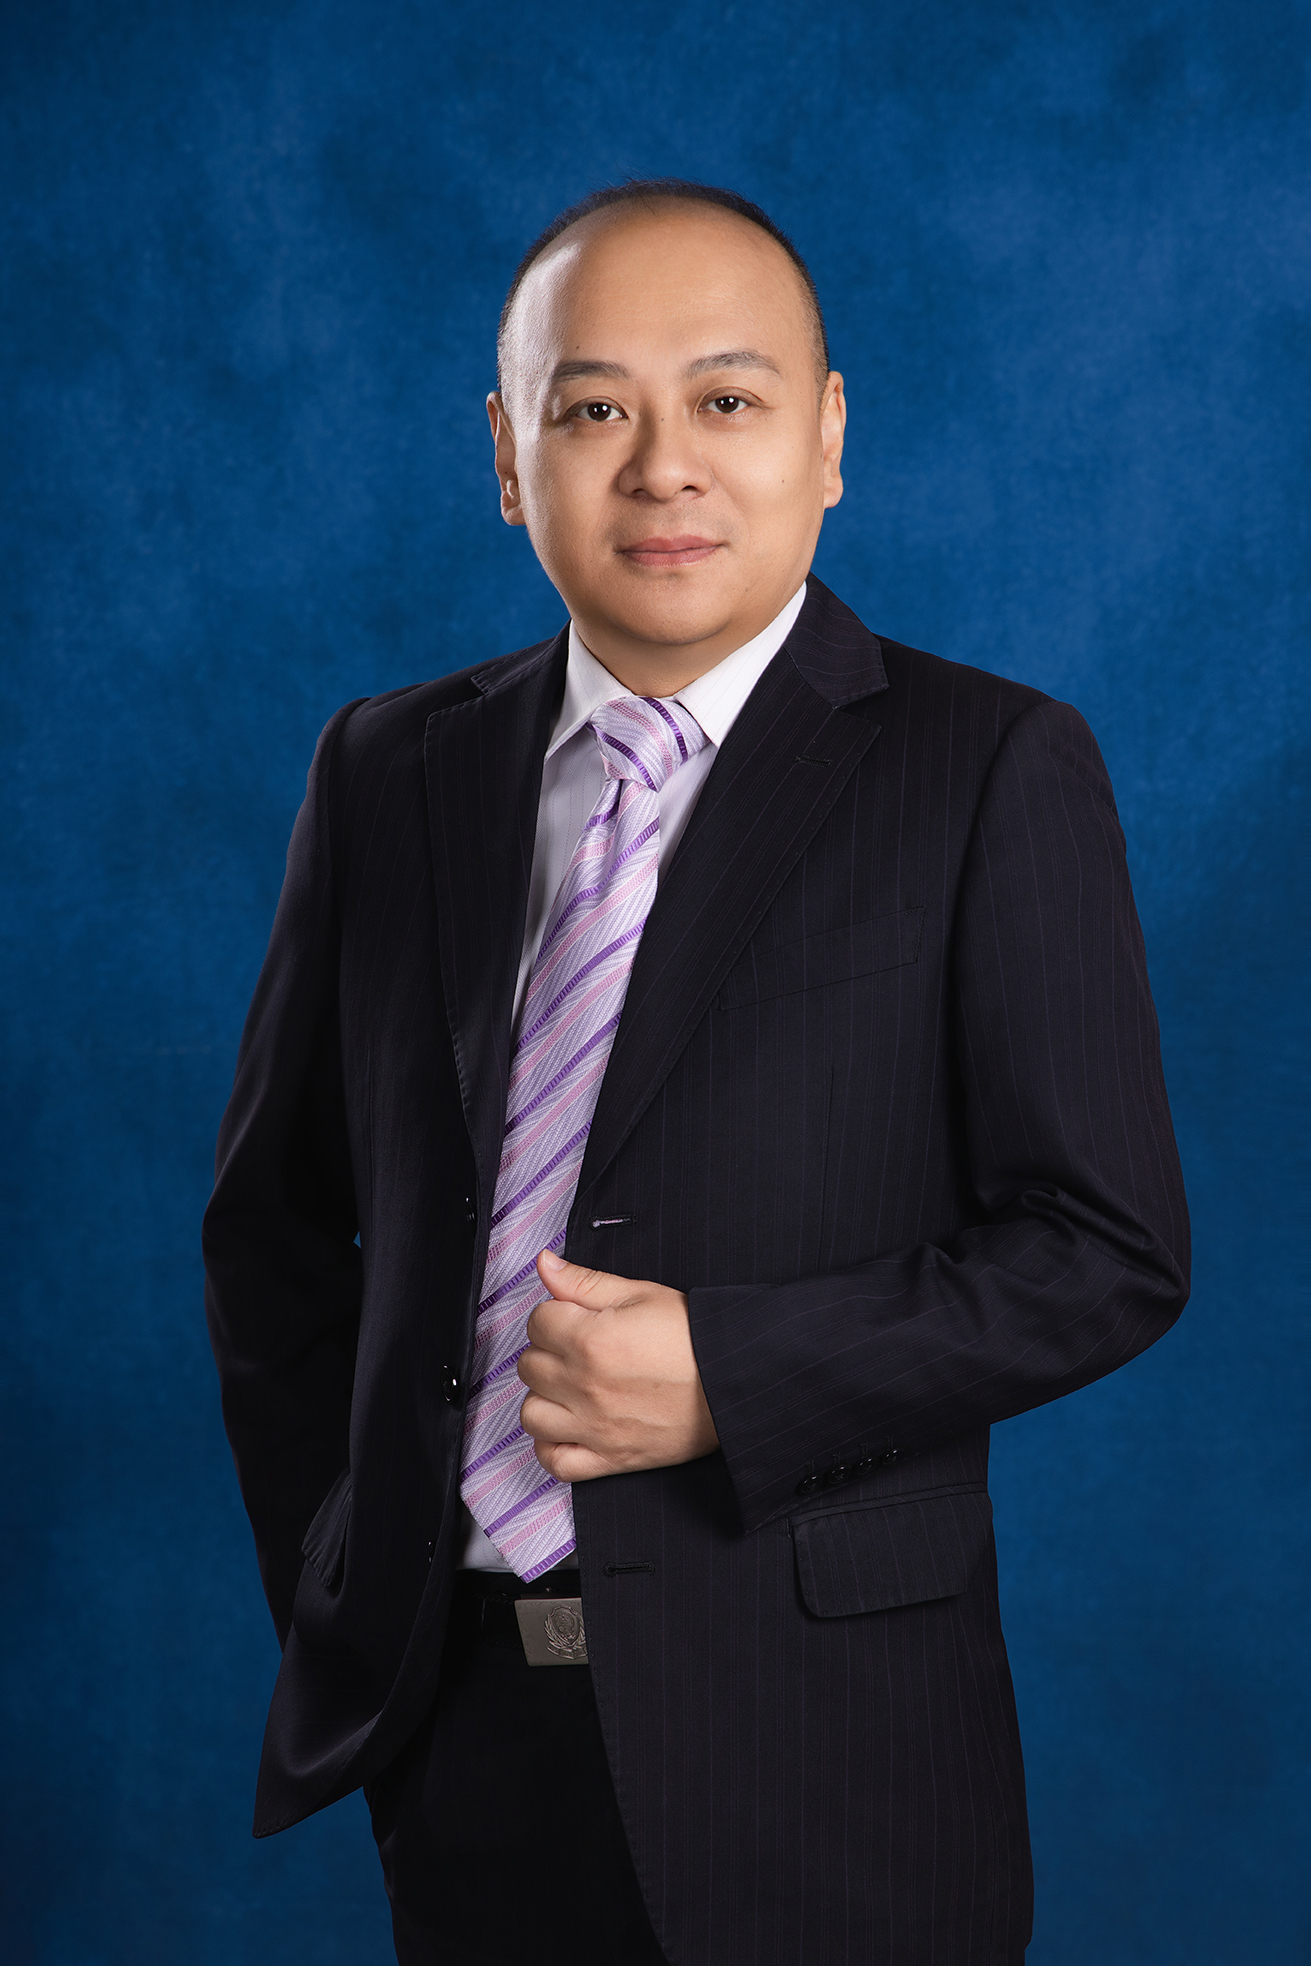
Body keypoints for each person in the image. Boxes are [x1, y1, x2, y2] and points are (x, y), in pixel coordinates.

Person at [203, 180, 1189, 1966]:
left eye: (727, 399)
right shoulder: (389, 770)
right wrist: (353, 1576)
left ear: (828, 437)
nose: (663, 466)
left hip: (831, 1753)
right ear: (510, 459)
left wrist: (733, 1375)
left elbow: (1105, 1249)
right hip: (469, 1734)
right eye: (594, 409)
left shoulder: (987, 766)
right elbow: (274, 1237)